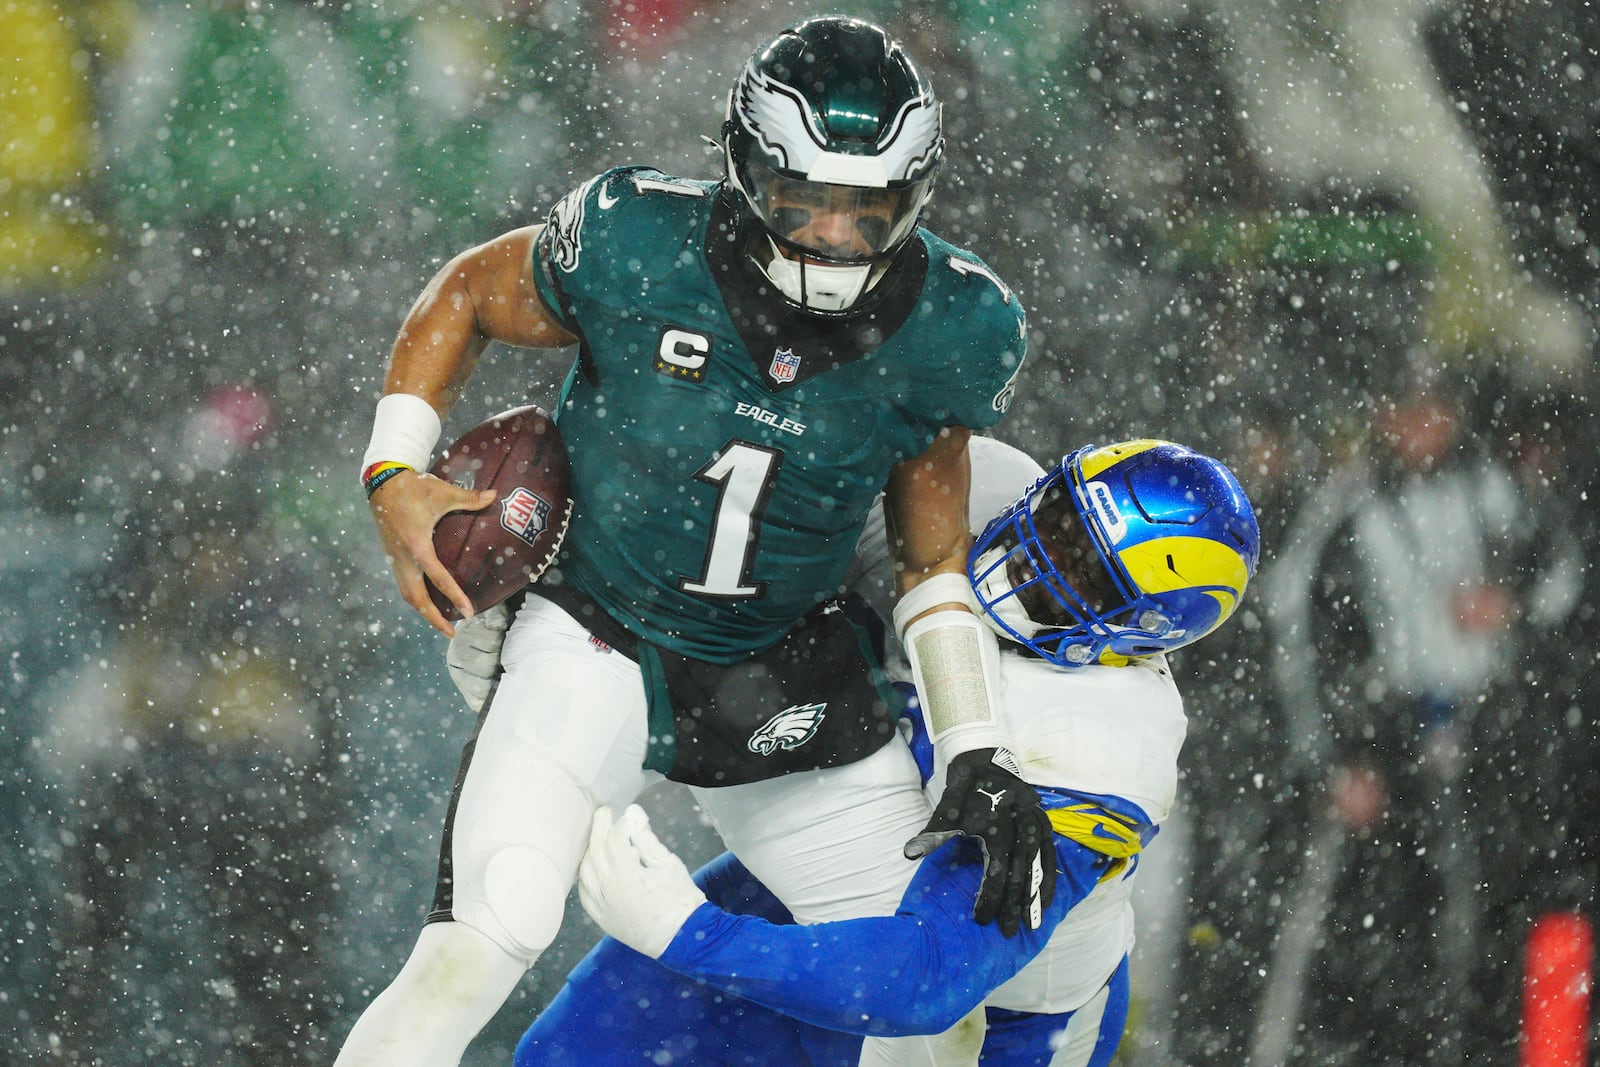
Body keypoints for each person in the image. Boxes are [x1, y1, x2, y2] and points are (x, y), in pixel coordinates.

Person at [337, 16, 1041, 1066]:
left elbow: (929, 559)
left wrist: (978, 744)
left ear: (915, 195)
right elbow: (469, 291)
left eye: (868, 208)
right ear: (749, 169)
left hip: (789, 664)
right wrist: (395, 467)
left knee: (929, 1005)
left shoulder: (954, 324)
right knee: (475, 946)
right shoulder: (637, 239)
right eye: (805, 199)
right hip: (597, 636)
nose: (834, 236)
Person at [486, 437, 1260, 1066]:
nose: (1035, 555)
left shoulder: (1103, 751)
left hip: (997, 1011)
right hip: (849, 851)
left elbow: (927, 978)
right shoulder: (980, 482)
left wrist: (688, 932)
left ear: (1134, 635)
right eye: (1058, 516)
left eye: (1084, 575)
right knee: (569, 1055)